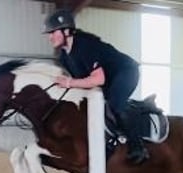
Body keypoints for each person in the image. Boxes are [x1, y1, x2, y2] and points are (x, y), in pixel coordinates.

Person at [43, 8, 149, 164]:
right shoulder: (64, 57)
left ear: (66, 31)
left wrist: (69, 83)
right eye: (49, 33)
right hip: (108, 78)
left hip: (126, 71)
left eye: (53, 32)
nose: (50, 37)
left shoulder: (85, 46)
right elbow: (83, 82)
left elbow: (98, 79)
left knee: (115, 104)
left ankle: (138, 146)